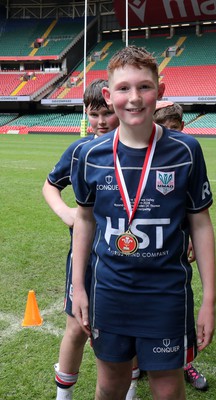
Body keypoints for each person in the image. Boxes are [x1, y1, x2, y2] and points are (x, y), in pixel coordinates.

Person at [72, 45, 216, 400]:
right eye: (123, 89)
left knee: (167, 389)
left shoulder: (186, 151)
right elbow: (85, 221)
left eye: (144, 87)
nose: (134, 98)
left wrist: (209, 297)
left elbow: (200, 223)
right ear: (108, 95)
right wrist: (79, 286)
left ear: (161, 91)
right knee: (110, 384)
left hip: (166, 292)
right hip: (111, 290)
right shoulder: (89, 155)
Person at [42, 78, 120, 400]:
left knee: (120, 329)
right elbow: (49, 186)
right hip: (85, 255)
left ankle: (128, 390)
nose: (100, 122)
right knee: (76, 326)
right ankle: (64, 396)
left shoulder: (138, 151)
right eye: (93, 114)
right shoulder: (79, 151)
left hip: (123, 256)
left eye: (107, 113)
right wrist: (67, 214)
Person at [153, 101, 208, 391]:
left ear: (182, 128)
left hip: (177, 249)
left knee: (178, 308)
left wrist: (193, 242)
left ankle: (186, 362)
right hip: (148, 252)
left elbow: (196, 211)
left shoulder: (186, 153)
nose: (168, 134)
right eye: (163, 128)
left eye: (173, 128)